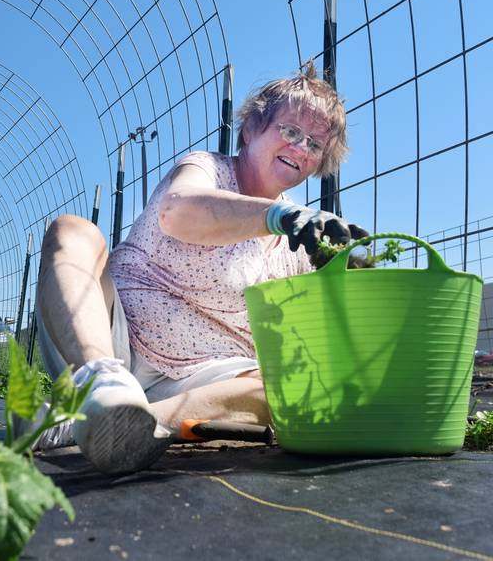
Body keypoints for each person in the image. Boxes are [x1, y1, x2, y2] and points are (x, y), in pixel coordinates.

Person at [28, 63, 368, 475]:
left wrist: (350, 270)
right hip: (114, 337)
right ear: (252, 128)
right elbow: (178, 211)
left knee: (286, 385)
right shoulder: (208, 170)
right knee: (73, 231)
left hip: (202, 378)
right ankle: (100, 386)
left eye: (315, 145)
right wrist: (279, 216)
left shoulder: (302, 242)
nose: (300, 149)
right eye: (291, 131)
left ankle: (124, 425)